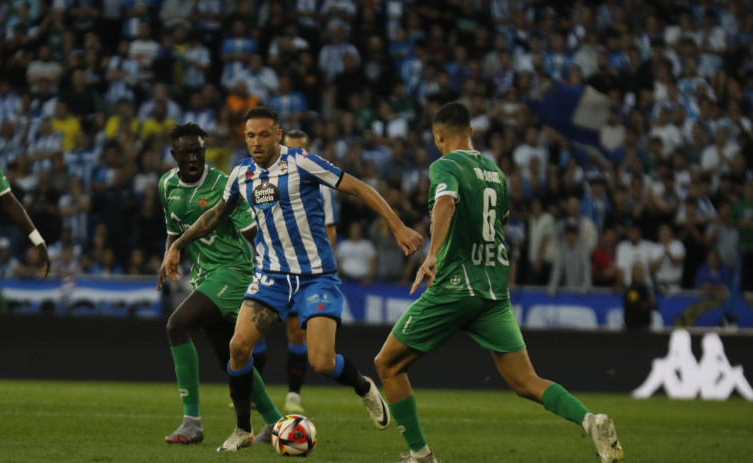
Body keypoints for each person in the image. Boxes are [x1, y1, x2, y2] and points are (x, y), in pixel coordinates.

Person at [161, 107, 423, 452]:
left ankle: (363, 387)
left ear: (278, 135)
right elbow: (215, 214)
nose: (256, 142)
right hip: (270, 277)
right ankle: (243, 428)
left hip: (316, 277)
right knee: (237, 349)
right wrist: (178, 244)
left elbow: (359, 188)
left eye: (264, 135)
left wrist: (398, 225)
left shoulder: (302, 162)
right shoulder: (242, 174)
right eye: (250, 136)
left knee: (322, 362)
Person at [373, 102, 623, 463]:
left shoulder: (444, 165)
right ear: (471, 131)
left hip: (455, 286)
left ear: (438, 135)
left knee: (387, 364)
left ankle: (421, 456)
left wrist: (432, 254)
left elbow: (445, 201)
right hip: (493, 290)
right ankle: (589, 420)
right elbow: (500, 218)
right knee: (525, 381)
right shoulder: (496, 172)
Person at [155, 123, 283, 447]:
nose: (194, 158)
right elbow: (175, 228)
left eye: (199, 150)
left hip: (234, 271)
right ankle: (274, 422)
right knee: (231, 358)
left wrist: (278, 271)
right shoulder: (166, 185)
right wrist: (169, 254)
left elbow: (253, 233)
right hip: (204, 276)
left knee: (176, 326)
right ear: (174, 155)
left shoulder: (224, 185)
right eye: (186, 152)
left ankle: (192, 422)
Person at [249, 128, 339, 414]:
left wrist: (323, 268)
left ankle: (293, 395)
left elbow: (329, 230)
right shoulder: (259, 180)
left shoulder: (320, 184)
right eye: (292, 148)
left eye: (303, 149)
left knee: (295, 333)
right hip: (272, 270)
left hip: (307, 272)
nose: (298, 154)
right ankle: (256, 390)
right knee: (256, 331)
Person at [0, 159, 50, 279]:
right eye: (7, 174)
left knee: (12, 252)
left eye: (11, 173)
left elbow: (24, 210)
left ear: (15, 175)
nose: (9, 176)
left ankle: (13, 273)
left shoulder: (19, 191)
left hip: (14, 226)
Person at [623, 263, 658, 331]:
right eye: (638, 271)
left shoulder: (646, 289)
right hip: (633, 327)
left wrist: (650, 304)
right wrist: (647, 305)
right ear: (632, 273)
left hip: (645, 325)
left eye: (642, 271)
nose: (640, 274)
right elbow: (634, 307)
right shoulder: (631, 290)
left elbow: (655, 305)